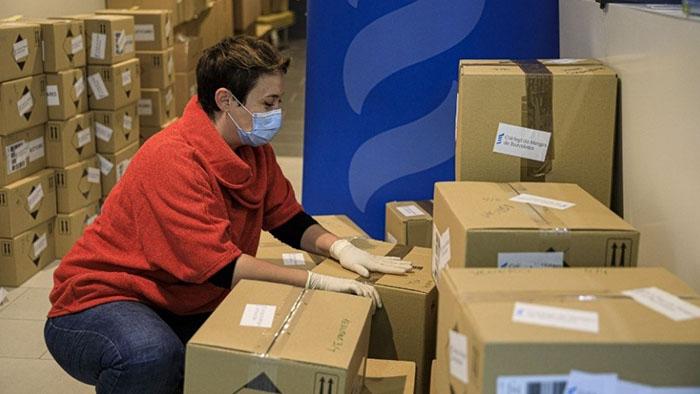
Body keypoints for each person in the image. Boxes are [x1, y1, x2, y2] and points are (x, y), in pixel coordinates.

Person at [44, 35, 411, 394]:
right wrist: (315, 282)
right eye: (268, 103)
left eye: (279, 101)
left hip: (180, 297)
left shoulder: (253, 151)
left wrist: (341, 249)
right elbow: (219, 267)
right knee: (152, 356)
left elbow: (286, 218)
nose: (276, 114)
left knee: (247, 350)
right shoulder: (172, 159)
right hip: (104, 298)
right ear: (226, 100)